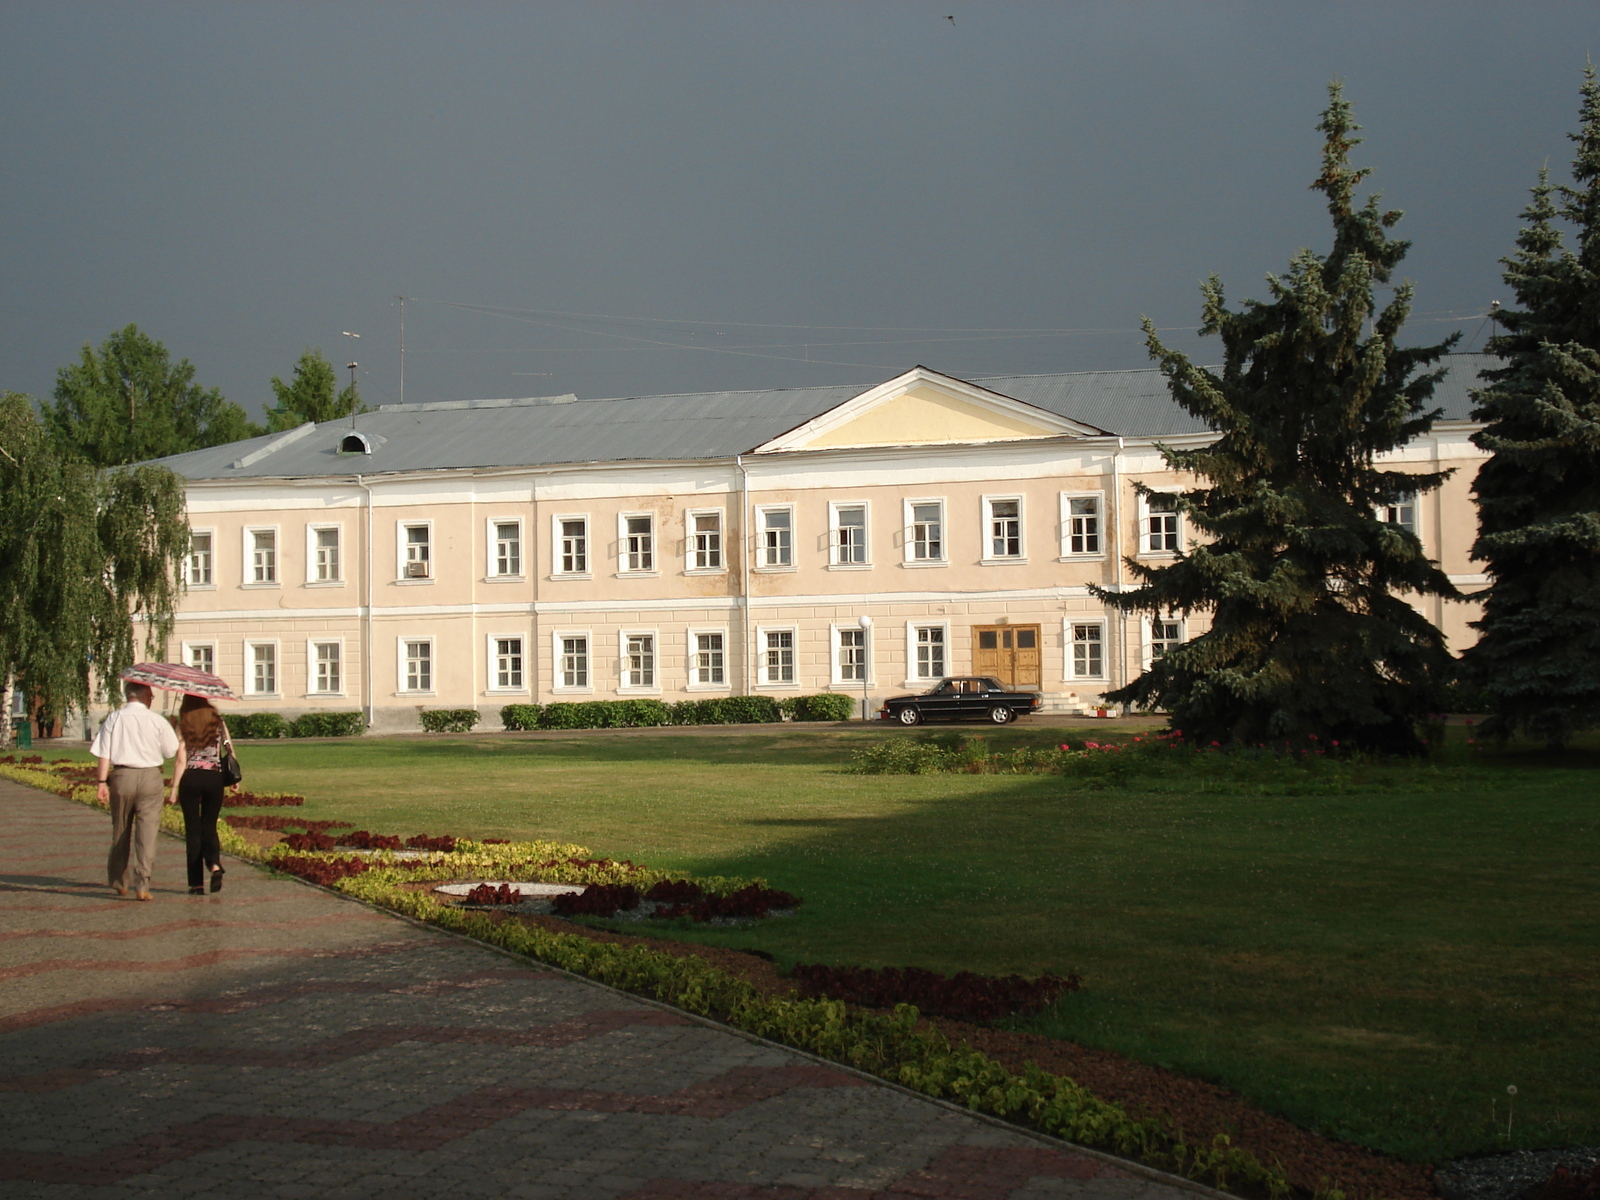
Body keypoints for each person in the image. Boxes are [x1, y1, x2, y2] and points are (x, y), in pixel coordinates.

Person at [91, 681, 180, 901]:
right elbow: (170, 752)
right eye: (150, 694)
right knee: (147, 833)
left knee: (120, 829)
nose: (152, 698)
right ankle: (143, 883)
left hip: (123, 776)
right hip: (150, 776)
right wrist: (169, 727)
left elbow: (104, 753)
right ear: (142, 695)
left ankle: (120, 881)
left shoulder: (115, 718)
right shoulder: (156, 720)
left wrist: (102, 782)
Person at [168, 694, 232, 895]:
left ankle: (196, 884)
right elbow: (229, 748)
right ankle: (214, 865)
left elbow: (180, 759)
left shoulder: (184, 723)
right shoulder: (217, 721)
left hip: (191, 778)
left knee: (193, 831)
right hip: (214, 778)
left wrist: (173, 788)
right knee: (209, 825)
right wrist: (234, 779)